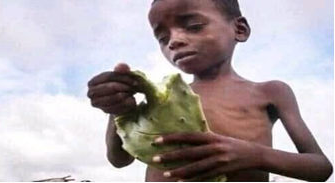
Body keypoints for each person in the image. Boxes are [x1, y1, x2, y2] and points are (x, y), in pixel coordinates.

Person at [87, 0, 333, 182]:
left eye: (193, 26)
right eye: (162, 38)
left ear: (240, 30)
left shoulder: (270, 92)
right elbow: (120, 160)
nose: (174, 41)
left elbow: (320, 167)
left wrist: (256, 155)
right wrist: (118, 112)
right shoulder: (162, 99)